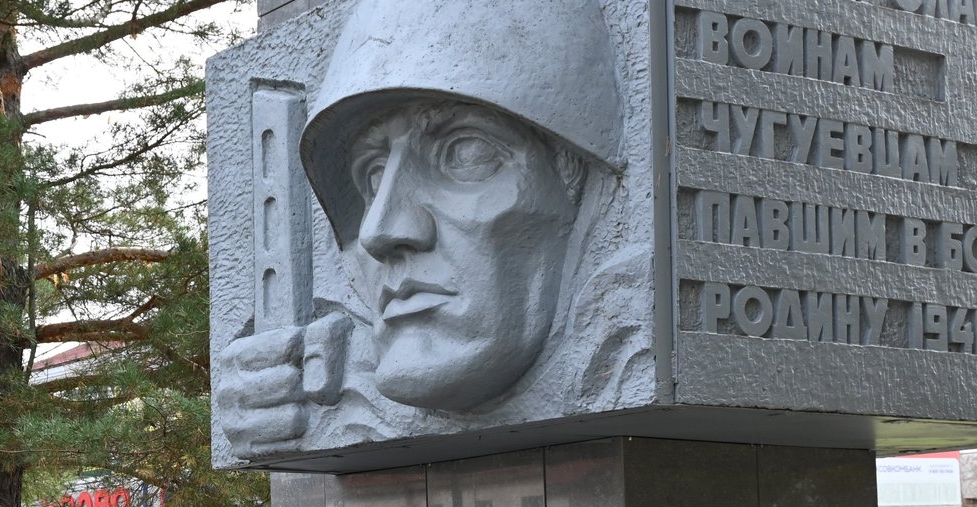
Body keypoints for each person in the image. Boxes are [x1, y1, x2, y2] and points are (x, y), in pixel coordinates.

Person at [216, 0, 651, 457]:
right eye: (374, 175)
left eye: (464, 154)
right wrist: (314, 381)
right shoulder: (344, 358)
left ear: (576, 182)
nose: (379, 231)